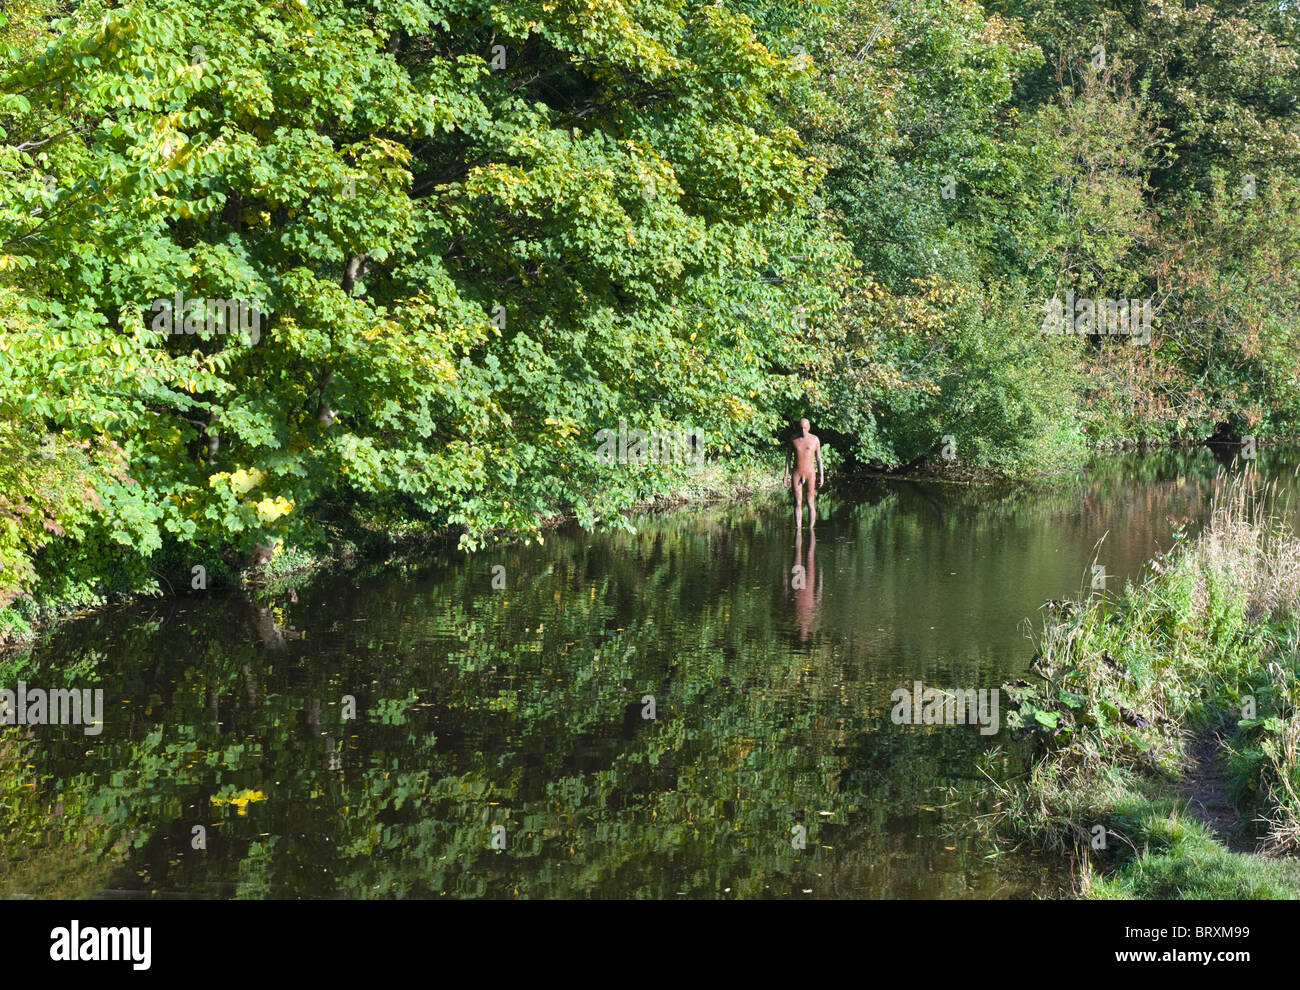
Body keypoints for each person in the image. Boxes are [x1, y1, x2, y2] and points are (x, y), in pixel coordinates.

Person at [783, 418, 823, 528]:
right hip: (797, 473)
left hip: (810, 474)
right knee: (797, 503)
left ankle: (811, 529)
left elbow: (819, 459)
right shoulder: (793, 439)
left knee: (810, 502)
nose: (803, 430)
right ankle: (798, 529)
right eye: (801, 428)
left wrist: (821, 475)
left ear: (809, 427)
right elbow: (788, 458)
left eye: (805, 428)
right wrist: (786, 475)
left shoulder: (815, 439)